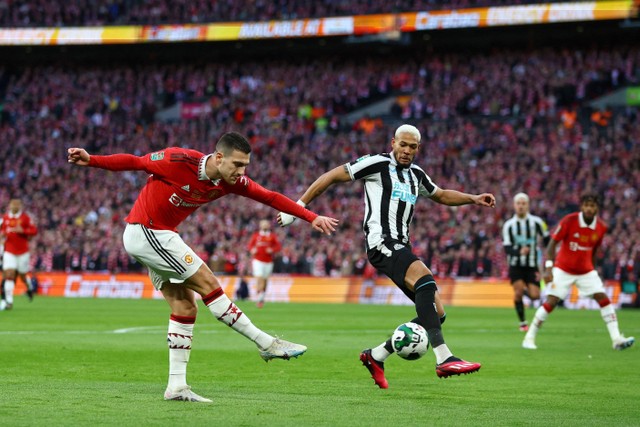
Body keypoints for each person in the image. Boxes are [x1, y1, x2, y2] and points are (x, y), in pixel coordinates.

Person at [68, 132, 339, 403]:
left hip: (158, 236)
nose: (242, 171)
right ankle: (266, 343)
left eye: (245, 165)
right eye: (237, 164)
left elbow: (270, 197)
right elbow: (135, 162)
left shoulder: (230, 181)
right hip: (147, 230)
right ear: (219, 157)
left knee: (186, 307)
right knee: (209, 283)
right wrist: (92, 160)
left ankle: (176, 386)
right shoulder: (178, 160)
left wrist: (310, 217)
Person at [278, 124, 496, 388]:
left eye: (412, 147)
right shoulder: (376, 164)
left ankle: (376, 355)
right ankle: (444, 357)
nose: (406, 151)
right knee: (425, 278)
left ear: (418, 148)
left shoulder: (417, 174)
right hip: (381, 242)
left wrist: (473, 198)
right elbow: (331, 176)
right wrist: (297, 208)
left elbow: (440, 195)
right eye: (402, 145)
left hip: (401, 244)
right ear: (393, 142)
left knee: (436, 312)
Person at [522, 193, 634, 351]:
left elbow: (595, 249)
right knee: (551, 302)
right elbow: (552, 244)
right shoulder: (569, 220)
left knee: (603, 298)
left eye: (592, 206)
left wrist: (593, 269)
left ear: (597, 208)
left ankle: (616, 339)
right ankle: (529, 337)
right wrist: (548, 268)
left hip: (585, 271)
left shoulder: (601, 227)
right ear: (582, 206)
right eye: (586, 205)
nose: (589, 208)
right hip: (563, 269)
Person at [502, 193, 550, 331]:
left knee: (535, 296)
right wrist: (519, 251)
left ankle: (522, 290)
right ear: (514, 205)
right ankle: (523, 323)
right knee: (517, 292)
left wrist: (550, 262)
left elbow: (548, 240)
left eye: (524, 203)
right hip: (515, 265)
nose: (521, 206)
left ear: (528, 205)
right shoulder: (509, 225)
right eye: (518, 203)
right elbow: (507, 247)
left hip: (532, 265)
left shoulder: (538, 222)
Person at [0, 198, 38, 311]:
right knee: (9, 275)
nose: (14, 207)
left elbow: (34, 231)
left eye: (16, 205)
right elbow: (3, 231)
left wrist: (23, 231)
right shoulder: (6, 218)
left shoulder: (25, 218)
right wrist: (2, 236)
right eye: (12, 205)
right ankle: (9, 302)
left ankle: (29, 287)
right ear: (10, 206)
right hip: (9, 251)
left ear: (20, 206)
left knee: (22, 275)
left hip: (22, 252)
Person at [247, 219, 282, 308]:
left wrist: (272, 250)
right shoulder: (256, 236)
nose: (265, 226)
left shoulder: (272, 236)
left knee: (265, 281)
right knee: (259, 278)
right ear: (260, 226)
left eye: (266, 224)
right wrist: (252, 250)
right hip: (257, 260)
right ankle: (259, 298)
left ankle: (261, 298)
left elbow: (278, 246)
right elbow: (250, 245)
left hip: (268, 261)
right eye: (263, 224)